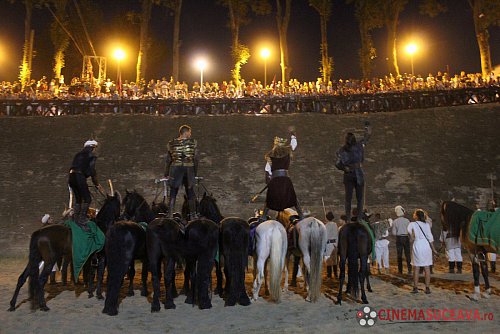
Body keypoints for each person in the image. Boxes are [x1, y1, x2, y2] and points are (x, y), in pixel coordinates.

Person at [259, 129, 303, 222]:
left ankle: (263, 217)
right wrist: (293, 136)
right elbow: (293, 146)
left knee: (269, 198)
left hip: (275, 180)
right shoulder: (287, 153)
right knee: (293, 198)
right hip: (285, 179)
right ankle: (301, 215)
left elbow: (267, 171)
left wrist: (268, 181)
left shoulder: (270, 156)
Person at [336, 121, 372, 222]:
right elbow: (367, 137)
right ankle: (359, 218)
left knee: (348, 198)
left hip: (348, 174)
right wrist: (367, 127)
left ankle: (348, 218)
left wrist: (344, 168)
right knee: (360, 198)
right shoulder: (359, 146)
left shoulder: (342, 150)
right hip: (359, 173)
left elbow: (337, 164)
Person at [68, 139, 105, 231]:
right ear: (93, 147)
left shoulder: (78, 154)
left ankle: (75, 219)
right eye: (95, 148)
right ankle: (82, 220)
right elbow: (92, 171)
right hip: (79, 177)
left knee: (78, 199)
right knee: (88, 198)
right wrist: (96, 183)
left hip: (71, 177)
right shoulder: (91, 156)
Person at [165, 125, 199, 220]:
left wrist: (166, 173)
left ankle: (170, 214)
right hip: (189, 169)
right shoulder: (193, 143)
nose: (190, 134)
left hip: (175, 168)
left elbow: (168, 160)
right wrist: (195, 172)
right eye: (189, 132)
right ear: (185, 132)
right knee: (190, 192)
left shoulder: (171, 143)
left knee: (173, 192)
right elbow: (196, 158)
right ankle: (193, 215)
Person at [408, 209, 438, 294]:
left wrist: (412, 237)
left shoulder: (411, 224)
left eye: (414, 214)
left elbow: (411, 239)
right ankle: (427, 288)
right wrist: (434, 250)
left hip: (417, 245)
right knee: (427, 268)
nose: (413, 215)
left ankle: (415, 288)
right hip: (426, 246)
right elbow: (430, 239)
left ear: (416, 216)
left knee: (416, 268)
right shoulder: (427, 225)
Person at [392, 205, 412, 275]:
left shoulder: (395, 221)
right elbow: (410, 231)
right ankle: (410, 270)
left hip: (399, 238)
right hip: (406, 237)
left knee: (399, 255)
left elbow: (394, 233)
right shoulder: (407, 220)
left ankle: (400, 271)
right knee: (408, 255)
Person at [324, 211, 338, 279]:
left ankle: (329, 275)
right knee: (334, 260)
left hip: (328, 244)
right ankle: (335, 274)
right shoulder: (335, 224)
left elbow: (325, 236)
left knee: (328, 260)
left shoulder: (326, 226)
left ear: (327, 218)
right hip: (334, 244)